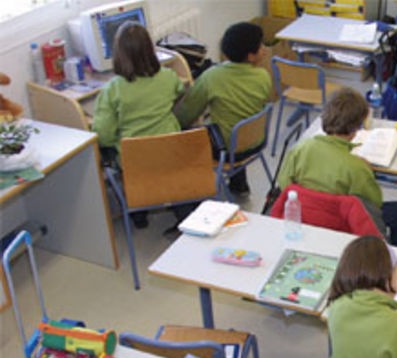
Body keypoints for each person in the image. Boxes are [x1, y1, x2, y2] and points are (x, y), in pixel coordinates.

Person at [277, 88, 397, 248]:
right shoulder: (357, 167)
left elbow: (284, 185)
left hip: (306, 218)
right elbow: (374, 204)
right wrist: (370, 172)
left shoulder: (301, 148)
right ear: (355, 128)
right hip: (339, 223)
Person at [92, 21, 185, 228]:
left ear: (119, 55)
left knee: (121, 157)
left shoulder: (112, 90)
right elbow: (180, 92)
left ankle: (139, 215)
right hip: (172, 154)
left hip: (135, 162)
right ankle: (180, 203)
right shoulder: (168, 77)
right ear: (151, 50)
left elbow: (104, 134)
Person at [176, 22, 272, 197]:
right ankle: (239, 183)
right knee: (236, 122)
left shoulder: (212, 77)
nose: (265, 49)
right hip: (255, 141)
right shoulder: (263, 76)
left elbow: (186, 114)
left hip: (226, 149)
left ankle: (191, 194)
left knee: (187, 135)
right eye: (261, 46)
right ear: (251, 56)